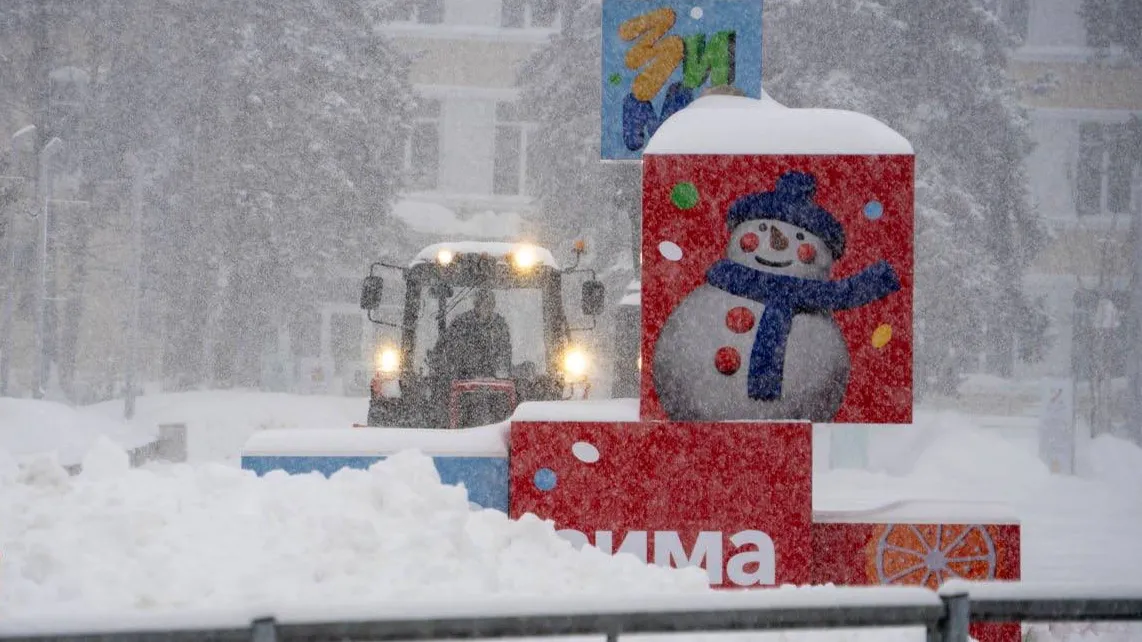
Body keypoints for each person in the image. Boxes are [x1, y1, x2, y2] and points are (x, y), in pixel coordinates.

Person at [443, 287, 512, 380]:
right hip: (463, 379)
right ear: (476, 305)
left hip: (493, 380)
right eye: (482, 304)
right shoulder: (461, 323)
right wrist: (465, 372)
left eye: (489, 305)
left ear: (493, 306)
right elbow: (450, 350)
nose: (485, 308)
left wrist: (500, 372)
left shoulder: (499, 326)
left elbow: (504, 352)